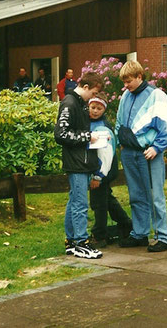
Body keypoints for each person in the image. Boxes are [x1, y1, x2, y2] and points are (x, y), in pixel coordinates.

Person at [115, 60, 167, 252]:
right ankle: (140, 234)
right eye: (124, 82)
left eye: (129, 81)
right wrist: (120, 144)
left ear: (140, 77)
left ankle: (163, 237)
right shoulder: (126, 95)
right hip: (129, 153)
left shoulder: (156, 96)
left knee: (155, 194)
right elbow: (119, 122)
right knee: (136, 195)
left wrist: (157, 148)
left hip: (148, 153)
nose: (125, 86)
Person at [54, 72, 104, 259]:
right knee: (80, 204)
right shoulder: (70, 103)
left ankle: (71, 241)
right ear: (84, 87)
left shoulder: (79, 103)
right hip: (76, 163)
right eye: (92, 93)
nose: (92, 98)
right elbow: (60, 134)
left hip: (81, 161)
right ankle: (81, 242)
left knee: (74, 201)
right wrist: (86, 137)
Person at [88, 93, 132, 248]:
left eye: (98, 108)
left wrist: (98, 177)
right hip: (102, 171)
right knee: (107, 199)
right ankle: (126, 224)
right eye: (92, 107)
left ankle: (100, 235)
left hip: (102, 171)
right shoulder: (91, 124)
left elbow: (104, 155)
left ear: (104, 110)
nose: (94, 111)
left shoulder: (102, 129)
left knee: (98, 203)